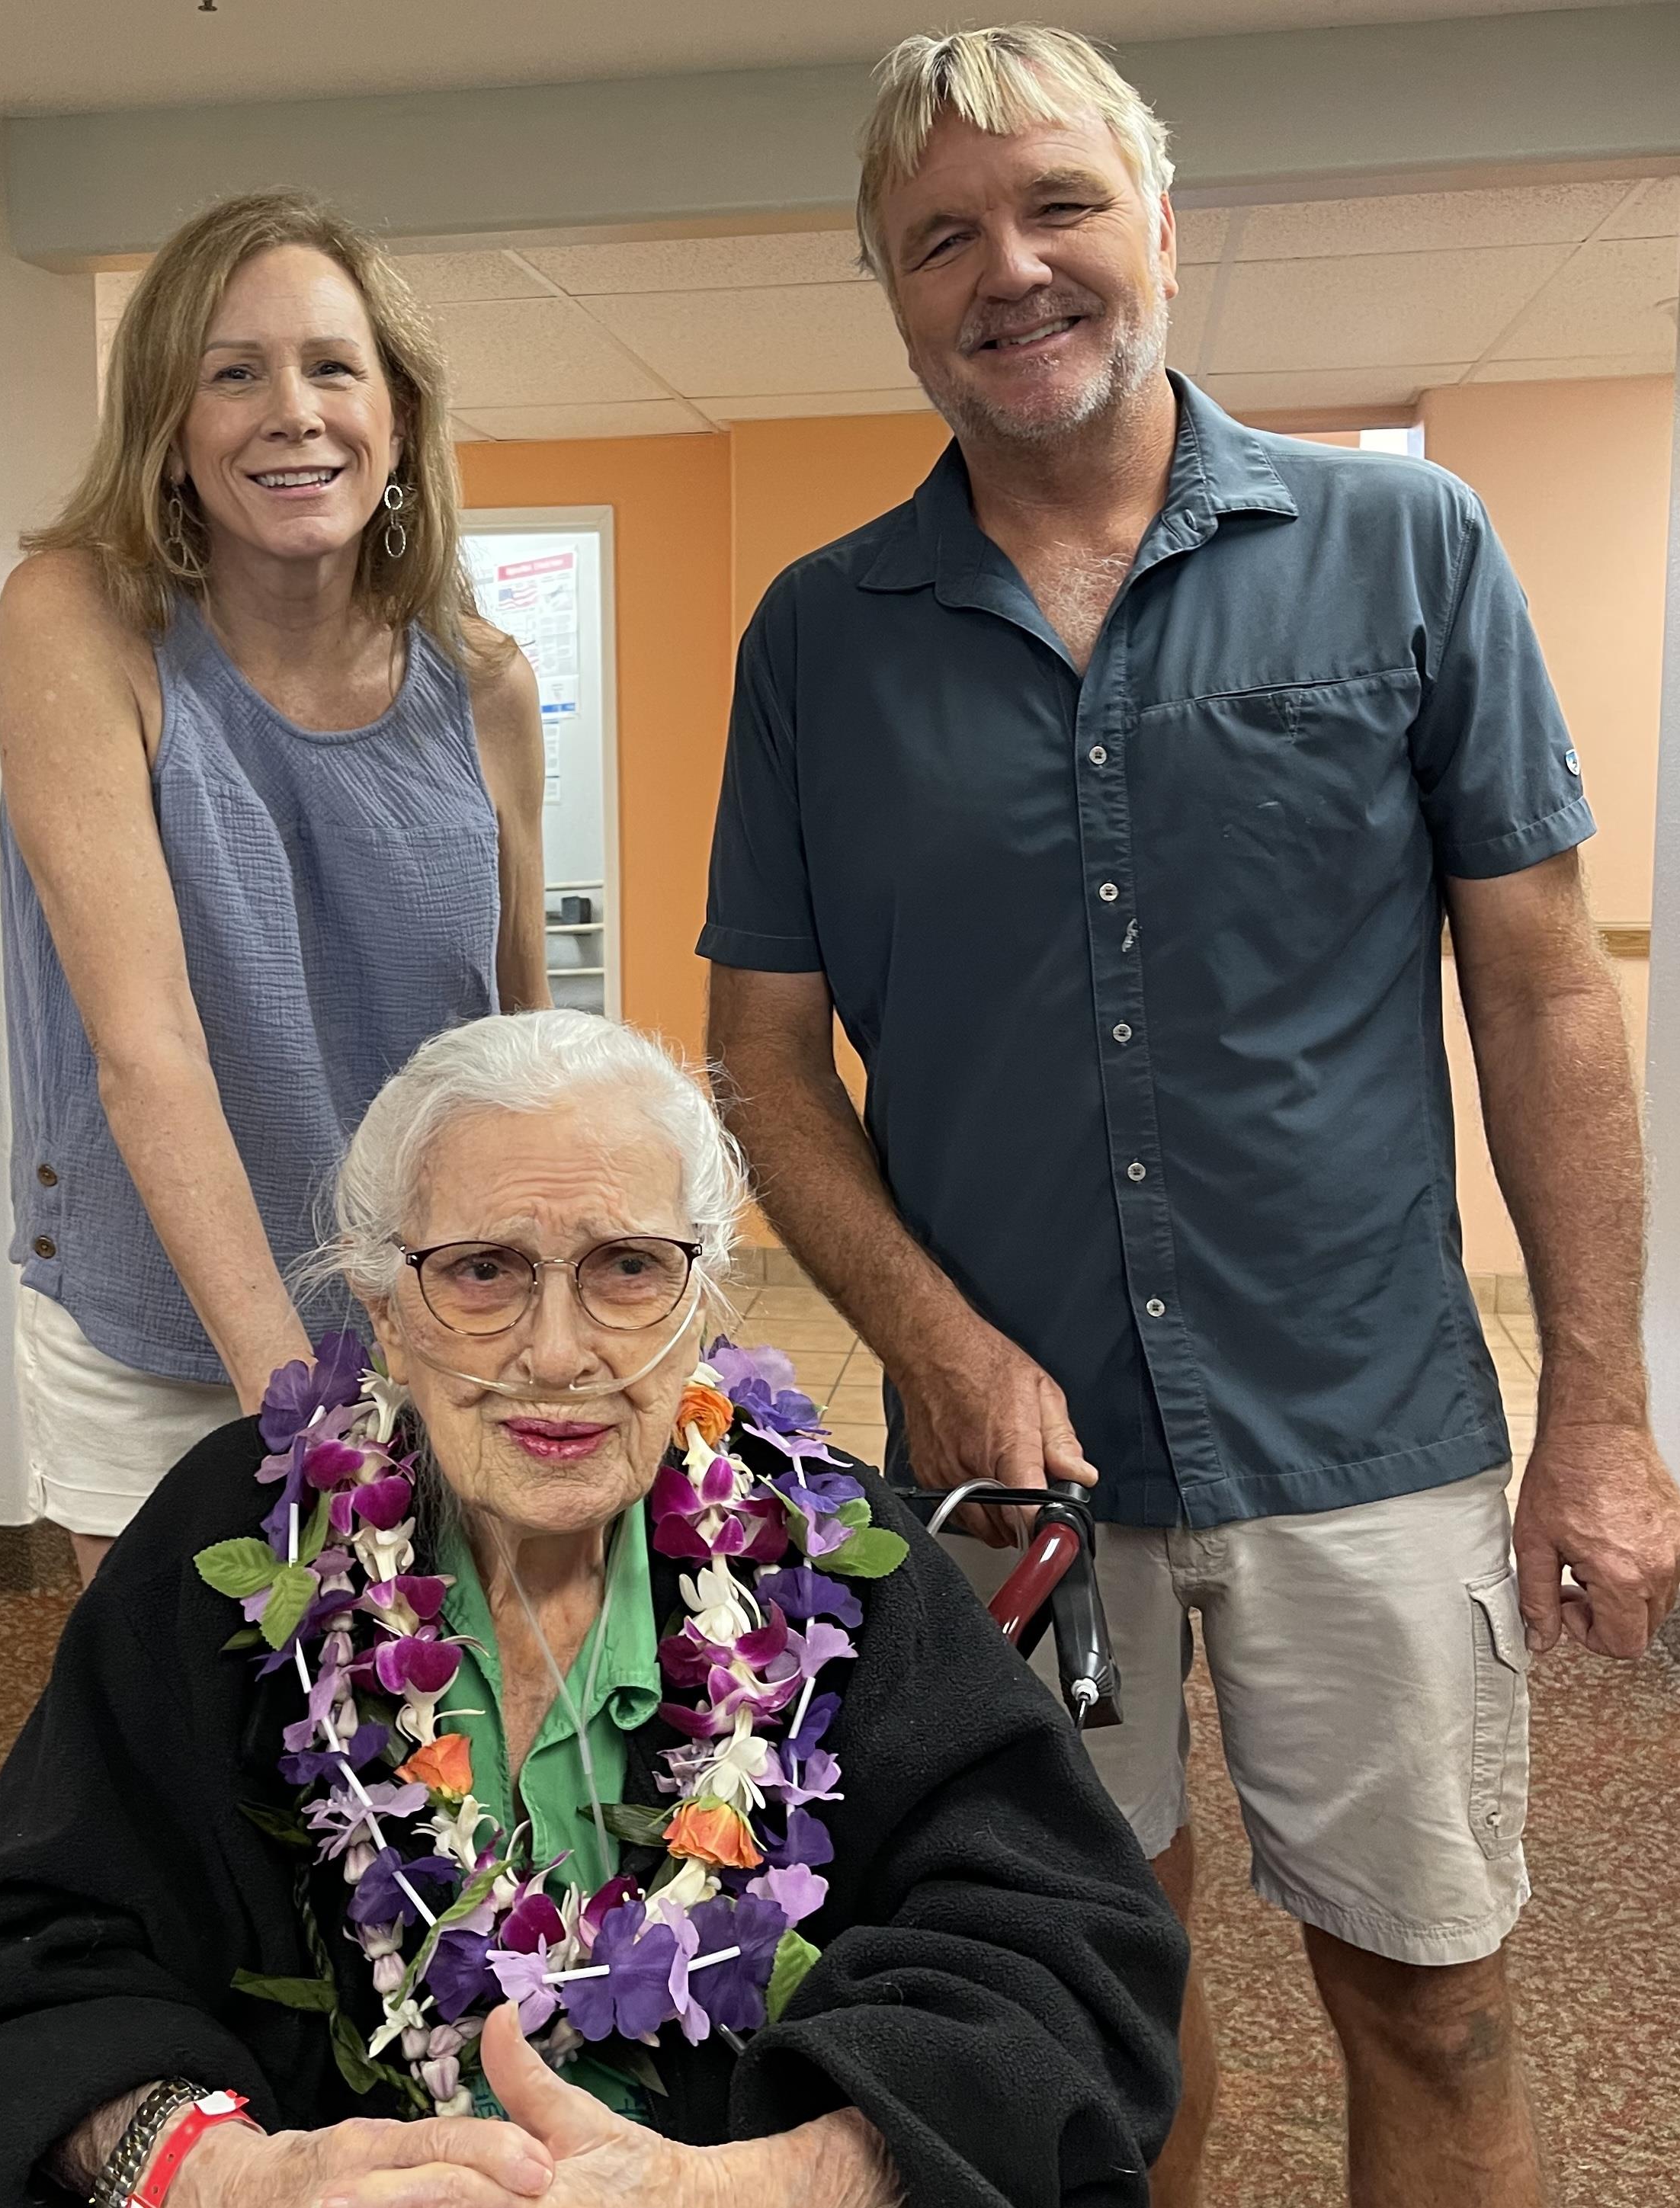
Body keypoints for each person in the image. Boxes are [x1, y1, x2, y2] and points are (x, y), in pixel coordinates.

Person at [699, 25, 1680, 2208]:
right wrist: (933, 1341)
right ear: (887, 286)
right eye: (940, 236)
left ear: (1160, 223)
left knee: (1428, 1999)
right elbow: (761, 1050)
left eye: (1055, 207)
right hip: (1010, 1478)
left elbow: (1536, 991)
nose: (1009, 269)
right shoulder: (816, 638)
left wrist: (1597, 1409)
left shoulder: (1401, 545)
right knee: (1092, 2012)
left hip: (1367, 1427)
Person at [0, 1011, 1186, 2208]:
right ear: (383, 1312)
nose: (561, 1352)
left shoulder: (826, 1545)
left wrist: (761, 2183)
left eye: (627, 1266)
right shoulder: (238, 1538)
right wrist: (234, 2176)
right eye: (481, 1270)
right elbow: (23, 1949)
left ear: (699, 1303)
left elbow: (1063, 1959)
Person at [0, 191, 548, 1586]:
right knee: (186, 1768)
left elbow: (526, 1052)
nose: (290, 410)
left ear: (399, 415)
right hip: (166, 1326)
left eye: (331, 366)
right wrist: (302, 1417)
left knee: (437, 1758)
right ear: (169, 433)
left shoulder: (483, 686)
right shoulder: (76, 619)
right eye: (232, 372)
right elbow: (148, 1046)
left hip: (433, 1314)